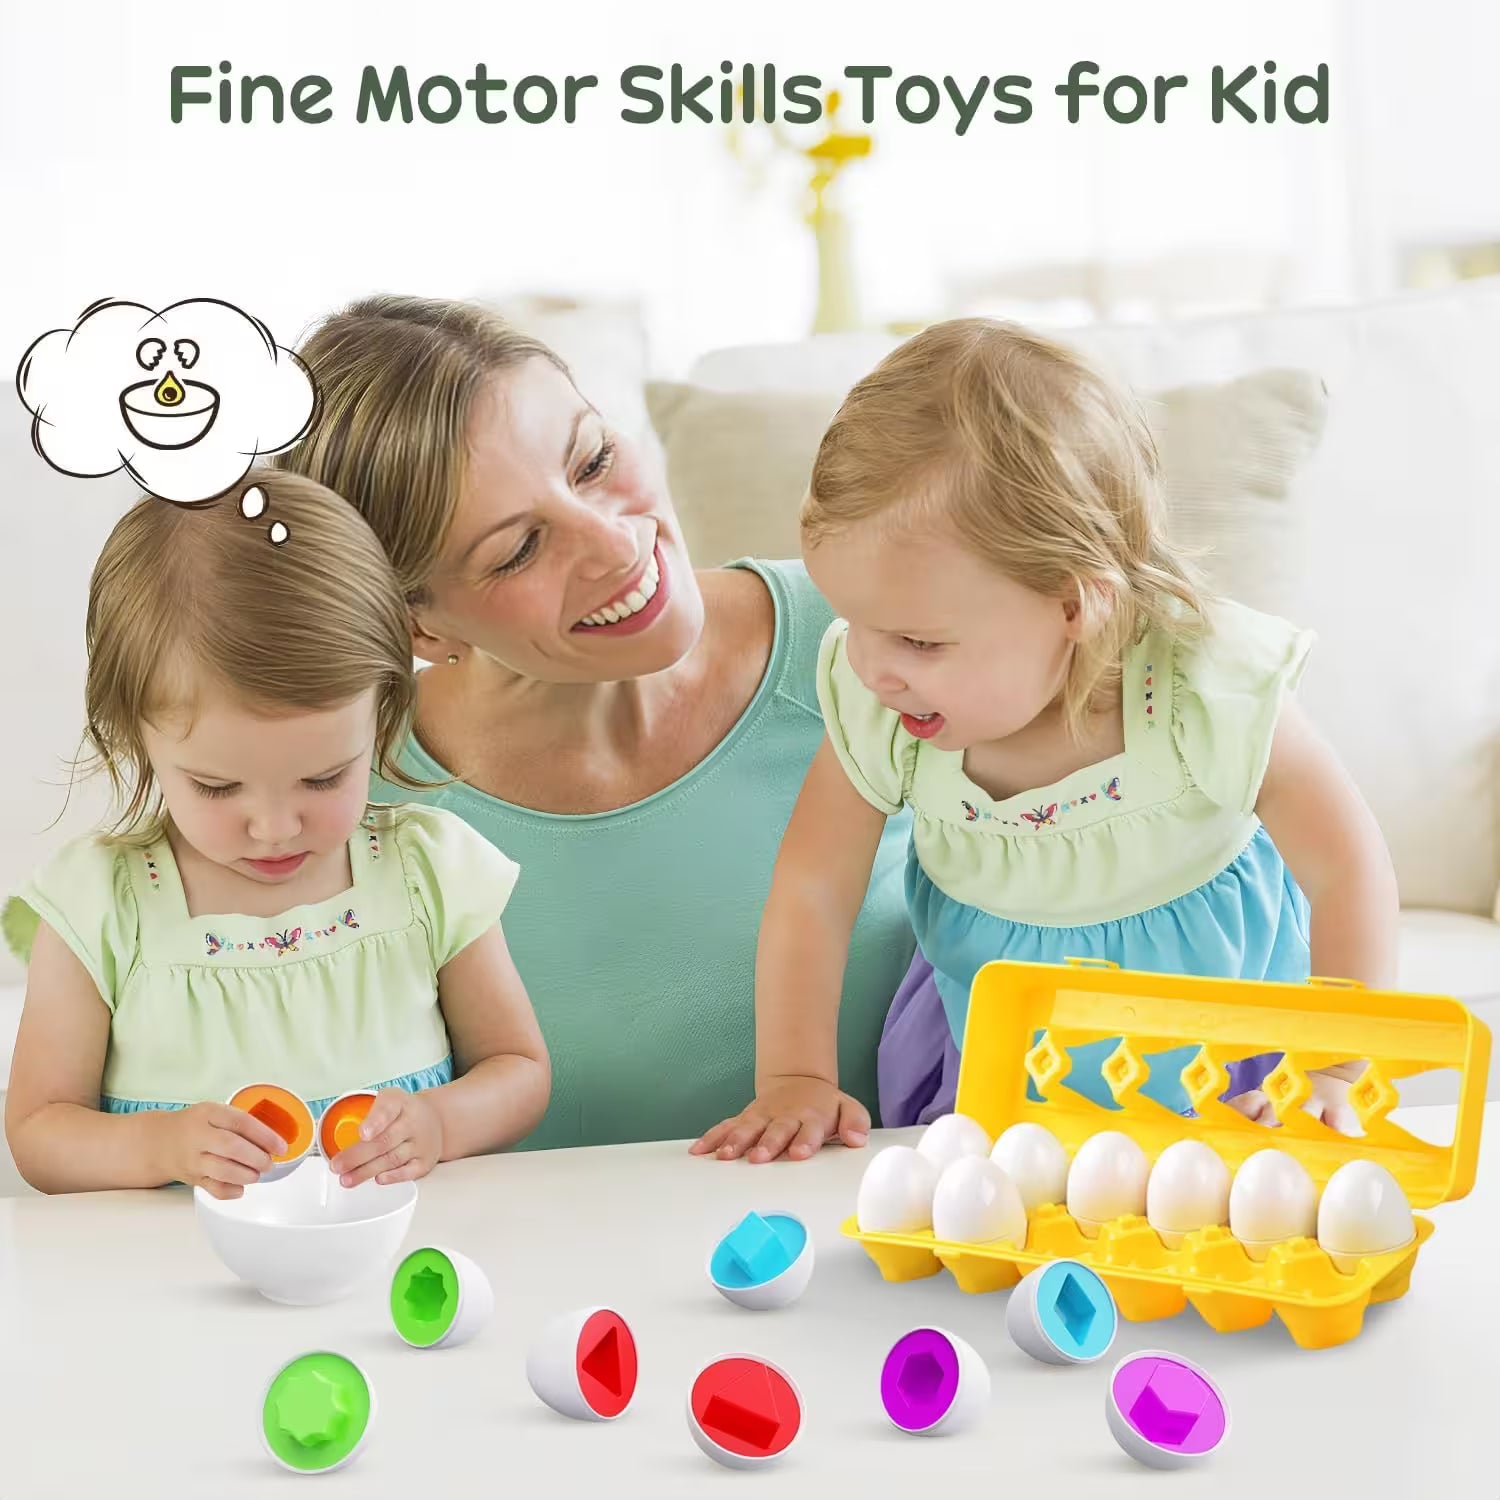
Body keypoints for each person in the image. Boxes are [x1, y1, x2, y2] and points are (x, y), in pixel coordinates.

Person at [700, 319, 1397, 1162]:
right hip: (998, 1062)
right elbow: (814, 888)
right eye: (855, 624)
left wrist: (1331, 1073)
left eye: (920, 641)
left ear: (1076, 605)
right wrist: (796, 1076)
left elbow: (1348, 865)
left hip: (1220, 1065)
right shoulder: (883, 702)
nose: (877, 670)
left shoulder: (1203, 685)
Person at [273, 296, 916, 1152]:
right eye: (517, 550)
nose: (615, 545)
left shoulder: (881, 637)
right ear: (422, 628)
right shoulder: (352, 804)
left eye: (592, 460)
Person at [4, 472, 550, 1196]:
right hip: (171, 1281)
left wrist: (441, 1122)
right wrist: (159, 1146)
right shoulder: (102, 903)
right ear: (136, 737)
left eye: (324, 778)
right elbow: (40, 1130)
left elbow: (520, 1070)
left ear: (382, 714)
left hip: (395, 1267)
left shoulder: (426, 873)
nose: (274, 827)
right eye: (217, 787)